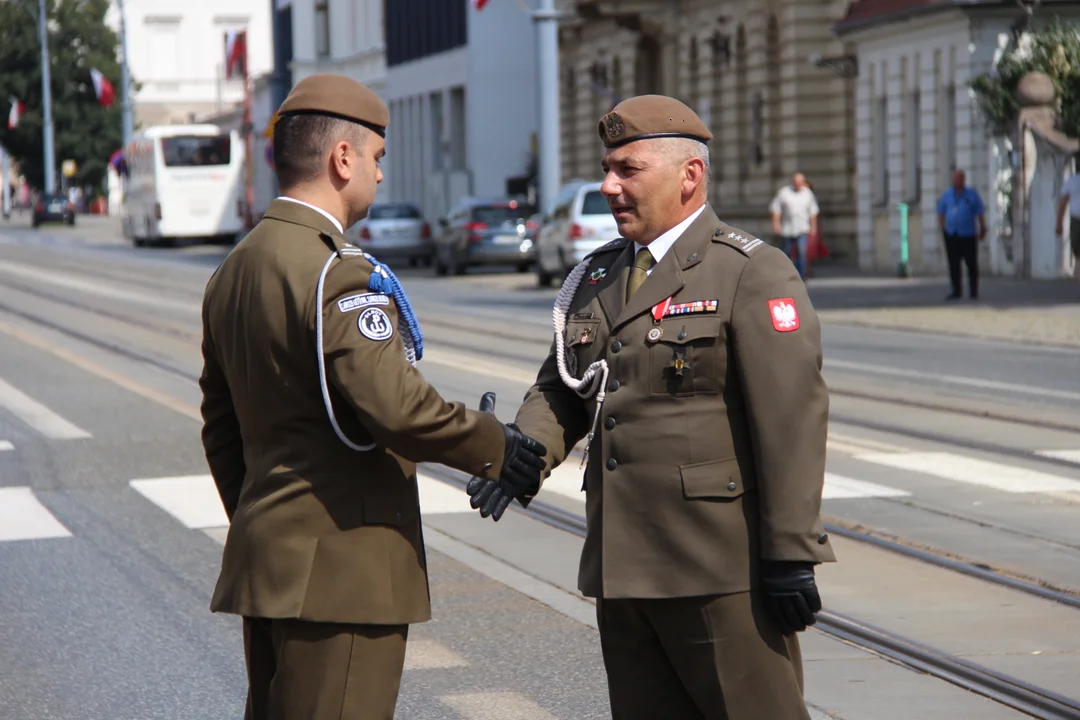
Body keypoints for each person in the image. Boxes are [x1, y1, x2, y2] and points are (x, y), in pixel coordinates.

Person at [467, 95, 836, 720]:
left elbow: (792, 420)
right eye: (608, 167)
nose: (609, 185)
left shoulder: (750, 272)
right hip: (621, 566)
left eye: (628, 169)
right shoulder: (597, 276)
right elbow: (561, 387)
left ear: (689, 176)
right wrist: (522, 450)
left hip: (717, 572)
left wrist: (790, 551)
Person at [198, 73, 546, 720]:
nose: (381, 176)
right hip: (343, 576)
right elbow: (397, 408)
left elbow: (221, 430)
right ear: (342, 159)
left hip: (272, 569)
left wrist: (274, 528)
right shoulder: (336, 271)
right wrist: (496, 446)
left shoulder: (234, 269)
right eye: (377, 159)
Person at [936, 169, 986, 300]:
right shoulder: (947, 195)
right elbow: (941, 212)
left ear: (964, 180)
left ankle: (973, 291)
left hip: (968, 234)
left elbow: (980, 212)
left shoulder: (971, 195)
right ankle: (956, 290)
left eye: (960, 178)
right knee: (954, 264)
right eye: (955, 178)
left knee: (971, 264)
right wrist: (944, 229)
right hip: (952, 234)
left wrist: (982, 228)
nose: (958, 181)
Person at [770, 172, 819, 280]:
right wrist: (776, 224)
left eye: (801, 182)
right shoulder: (784, 192)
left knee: (802, 252)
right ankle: (786, 275)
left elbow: (813, 212)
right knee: (786, 252)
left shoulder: (808, 194)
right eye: (797, 182)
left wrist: (813, 227)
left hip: (802, 228)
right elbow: (775, 209)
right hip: (787, 228)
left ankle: (801, 276)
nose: (799, 184)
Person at [1055, 164, 1080, 280]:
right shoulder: (1072, 182)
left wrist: (1059, 224)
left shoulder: (1072, 181)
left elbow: (1062, 204)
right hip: (1076, 221)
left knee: (1078, 256)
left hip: (1076, 221)